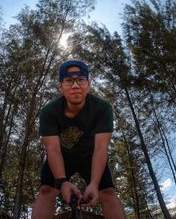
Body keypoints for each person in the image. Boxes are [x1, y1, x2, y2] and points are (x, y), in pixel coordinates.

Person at [32, 60, 125, 219]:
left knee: (107, 192)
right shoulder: (49, 112)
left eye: (81, 79)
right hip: (62, 155)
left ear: (89, 84)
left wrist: (95, 184)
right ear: (60, 86)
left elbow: (101, 148)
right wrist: (61, 182)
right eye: (69, 80)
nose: (75, 85)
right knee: (46, 190)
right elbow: (52, 149)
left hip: (90, 156)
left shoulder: (102, 108)